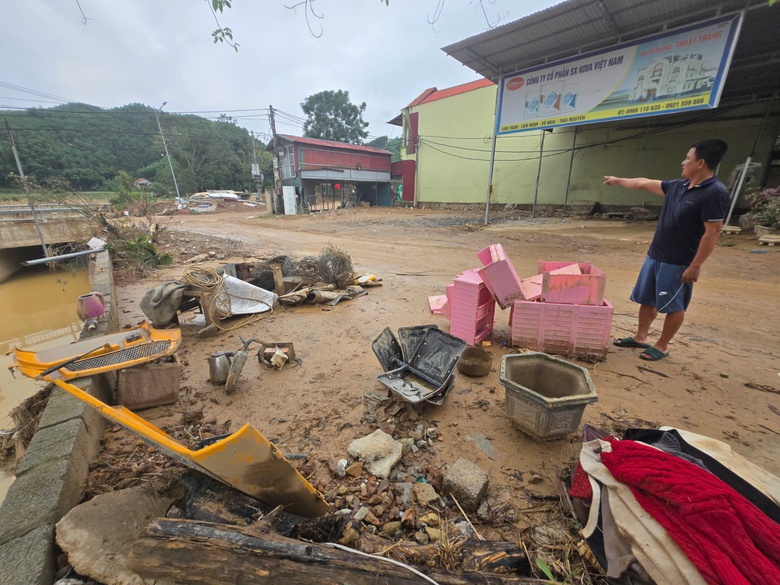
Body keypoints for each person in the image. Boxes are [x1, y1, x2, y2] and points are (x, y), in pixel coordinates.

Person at [603, 139, 730, 361]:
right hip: (656, 255)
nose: (683, 162)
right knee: (648, 299)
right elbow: (643, 182)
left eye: (688, 158)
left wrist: (695, 266)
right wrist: (618, 180)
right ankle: (641, 337)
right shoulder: (678, 186)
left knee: (673, 304)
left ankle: (662, 345)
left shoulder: (714, 193)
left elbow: (713, 232)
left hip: (679, 261)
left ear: (700, 163)